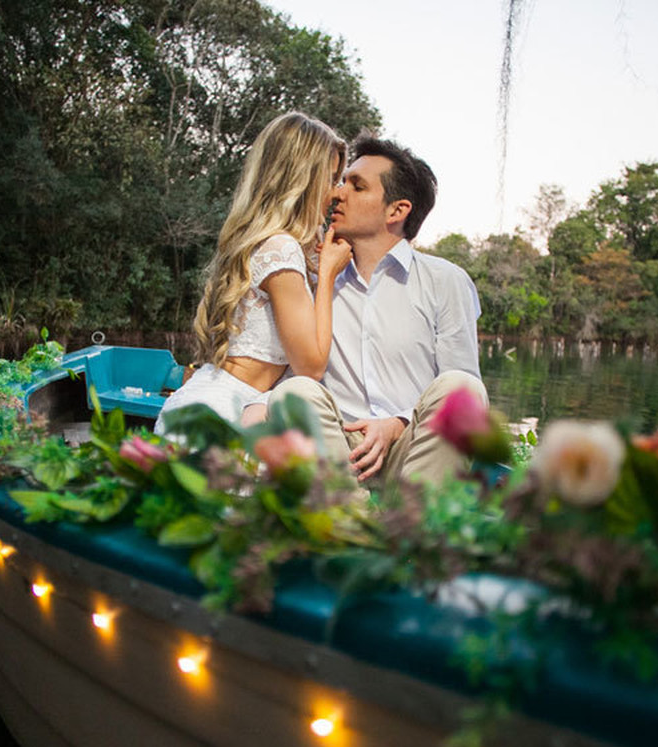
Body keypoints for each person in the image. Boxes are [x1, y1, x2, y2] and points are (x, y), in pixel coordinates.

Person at [265, 133, 487, 484]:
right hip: (338, 448)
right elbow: (293, 373)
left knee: (463, 388)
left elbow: (462, 396)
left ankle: (410, 520)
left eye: (357, 186)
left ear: (397, 211)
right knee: (294, 392)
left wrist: (396, 425)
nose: (338, 193)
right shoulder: (316, 280)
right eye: (342, 183)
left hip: (412, 448)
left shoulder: (446, 281)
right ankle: (353, 521)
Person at [154, 112, 352, 434]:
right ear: (302, 180)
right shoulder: (280, 247)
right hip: (223, 414)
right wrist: (328, 273)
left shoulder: (262, 242)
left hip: (231, 401)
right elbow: (310, 366)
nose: (336, 193)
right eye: (330, 180)